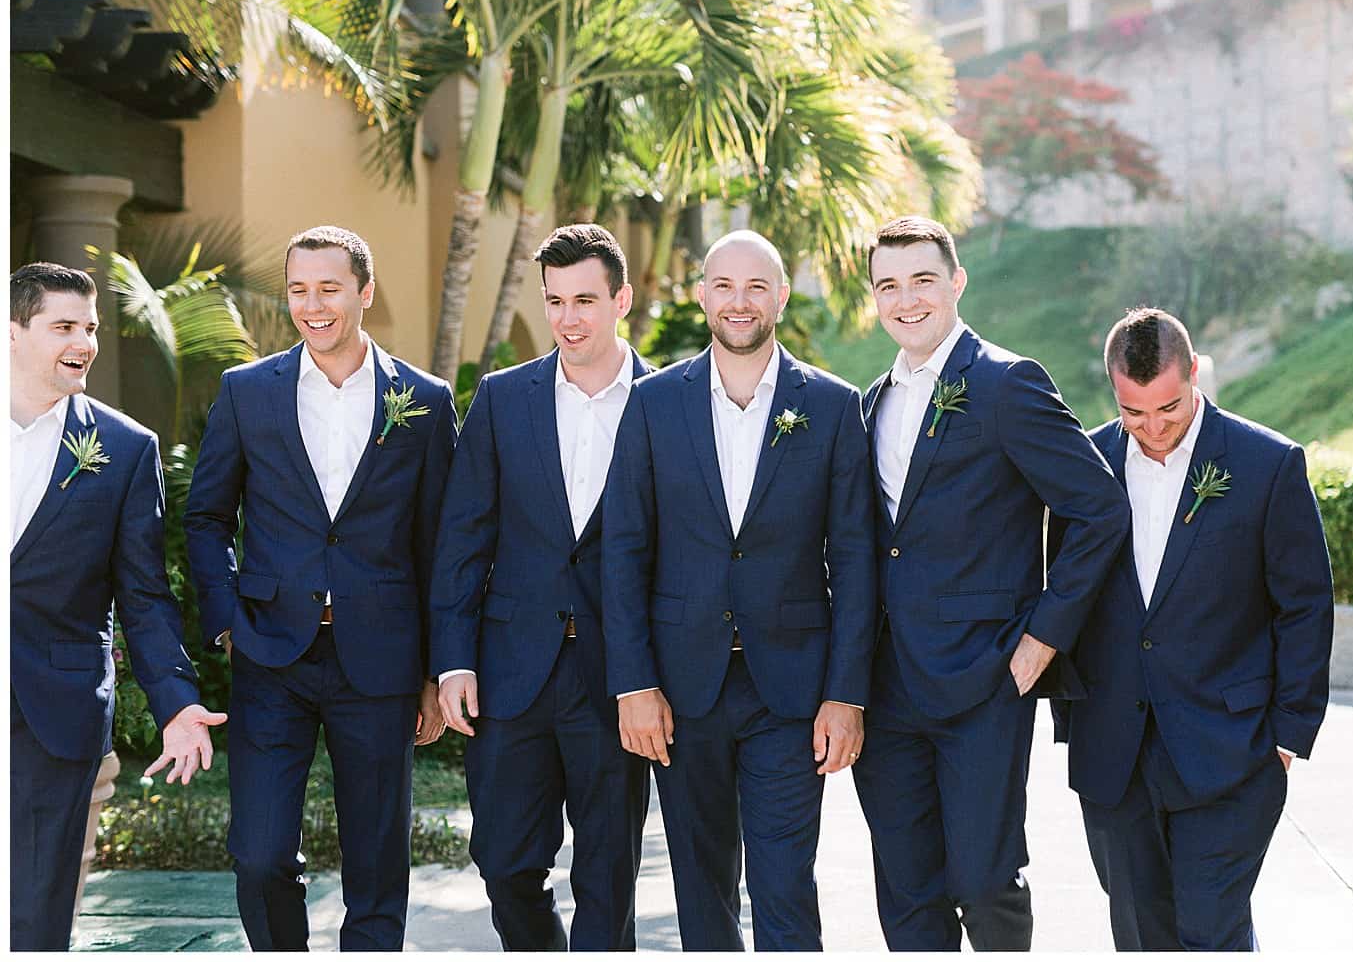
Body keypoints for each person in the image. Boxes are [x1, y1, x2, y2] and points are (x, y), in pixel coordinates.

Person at [852, 216, 1129, 950]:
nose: (906, 300)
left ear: (956, 283)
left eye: (922, 281)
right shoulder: (871, 400)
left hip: (981, 680)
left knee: (983, 878)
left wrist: (1043, 637)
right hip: (884, 687)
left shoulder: (1008, 383)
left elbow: (1098, 507)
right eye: (888, 285)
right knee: (907, 893)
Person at [601, 230, 876, 950]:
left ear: (781, 295)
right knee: (701, 885)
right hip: (680, 689)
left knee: (785, 883)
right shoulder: (654, 403)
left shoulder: (834, 406)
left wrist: (845, 693)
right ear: (702, 295)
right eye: (724, 286)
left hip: (790, 690)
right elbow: (625, 550)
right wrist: (633, 683)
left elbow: (854, 559)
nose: (740, 301)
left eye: (757, 286)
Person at [184, 226, 455, 950]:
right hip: (271, 654)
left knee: (377, 861)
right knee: (260, 853)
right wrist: (228, 620)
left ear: (364, 292)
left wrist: (434, 667)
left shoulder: (423, 400)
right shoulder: (247, 393)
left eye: (329, 288)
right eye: (299, 289)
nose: (313, 304)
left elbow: (440, 543)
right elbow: (206, 515)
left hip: (382, 659)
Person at [1054, 307, 1334, 950]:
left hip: (1232, 751)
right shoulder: (1083, 465)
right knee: (1139, 935)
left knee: (1213, 931)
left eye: (1169, 409)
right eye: (1133, 412)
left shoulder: (1268, 464)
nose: (1153, 429)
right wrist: (1072, 723)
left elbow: (1305, 605)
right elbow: (1066, 594)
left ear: (1196, 374)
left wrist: (1289, 734)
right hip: (1111, 756)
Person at [428, 224, 652, 949]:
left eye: (585, 299)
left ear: (622, 298)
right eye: (555, 301)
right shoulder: (502, 397)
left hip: (621, 674)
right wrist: (453, 659)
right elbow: (464, 537)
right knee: (504, 861)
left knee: (609, 871)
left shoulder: (671, 399)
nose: (567, 319)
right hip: (510, 670)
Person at [10, 262, 223, 950]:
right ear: (14, 330)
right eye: (64, 325)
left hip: (53, 711)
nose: (85, 341)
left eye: (91, 327)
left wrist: (177, 703)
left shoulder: (125, 450)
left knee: (33, 914)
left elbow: (144, 593)